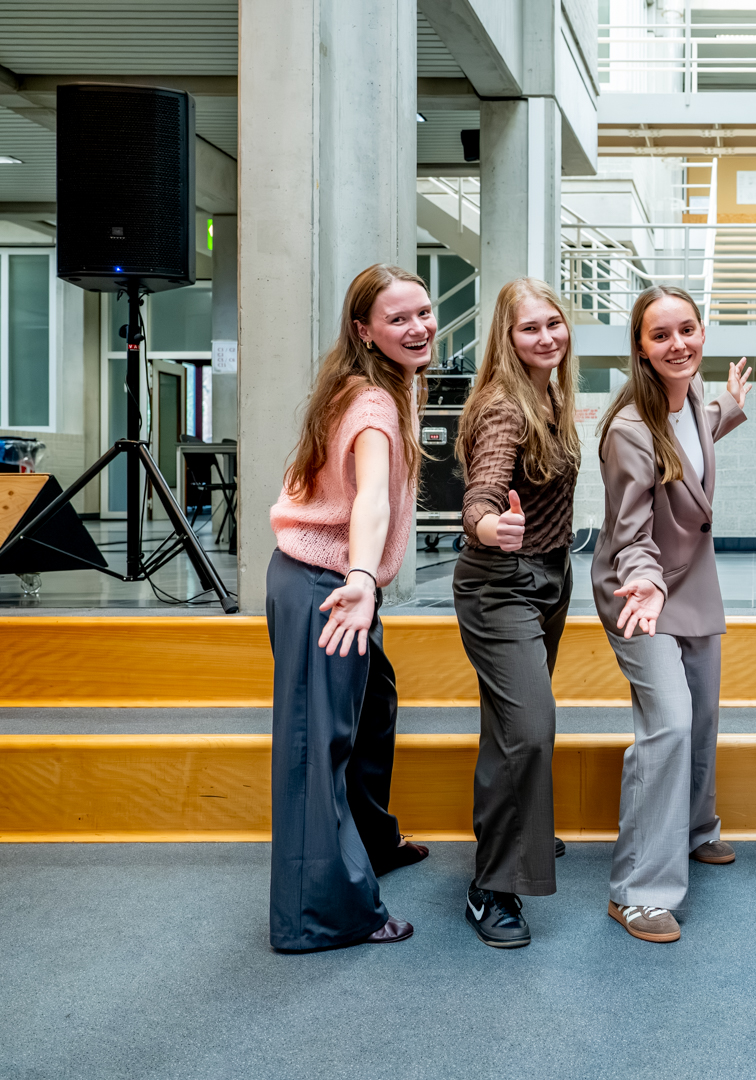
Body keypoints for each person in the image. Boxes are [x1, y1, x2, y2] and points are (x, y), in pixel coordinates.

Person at [265, 264, 435, 952]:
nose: (418, 327)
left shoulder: (382, 384)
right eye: (398, 319)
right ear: (364, 330)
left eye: (423, 312)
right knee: (318, 747)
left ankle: (371, 843)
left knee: (373, 709)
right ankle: (322, 916)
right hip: (327, 585)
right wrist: (363, 575)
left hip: (331, 578)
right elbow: (370, 498)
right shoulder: (372, 404)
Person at [592, 285, 753, 943]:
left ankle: (693, 827)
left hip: (692, 585)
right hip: (641, 592)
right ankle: (637, 891)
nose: (677, 344)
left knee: (703, 713)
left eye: (687, 329)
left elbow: (699, 428)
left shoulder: (689, 400)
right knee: (670, 724)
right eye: (660, 335)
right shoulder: (628, 430)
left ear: (702, 332)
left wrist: (731, 406)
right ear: (640, 348)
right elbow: (630, 533)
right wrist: (646, 584)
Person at [450, 278, 581, 948]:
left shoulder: (552, 391)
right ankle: (491, 888)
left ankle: (516, 827)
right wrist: (487, 524)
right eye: (530, 328)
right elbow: (482, 491)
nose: (546, 337)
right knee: (529, 731)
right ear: (506, 337)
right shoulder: (505, 405)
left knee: (509, 728)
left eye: (553, 323)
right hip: (500, 582)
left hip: (548, 576)